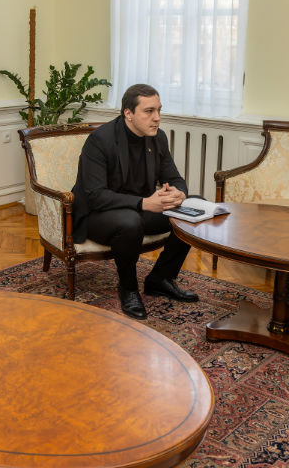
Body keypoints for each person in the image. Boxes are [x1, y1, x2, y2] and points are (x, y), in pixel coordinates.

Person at [71, 84, 197, 320]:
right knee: (130, 222)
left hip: (140, 209)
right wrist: (144, 203)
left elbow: (175, 178)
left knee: (195, 207)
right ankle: (128, 288)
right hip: (98, 215)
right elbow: (95, 196)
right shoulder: (100, 140)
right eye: (149, 111)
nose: (157, 118)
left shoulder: (158, 138)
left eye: (158, 110)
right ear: (128, 113)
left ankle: (160, 278)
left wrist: (180, 193)